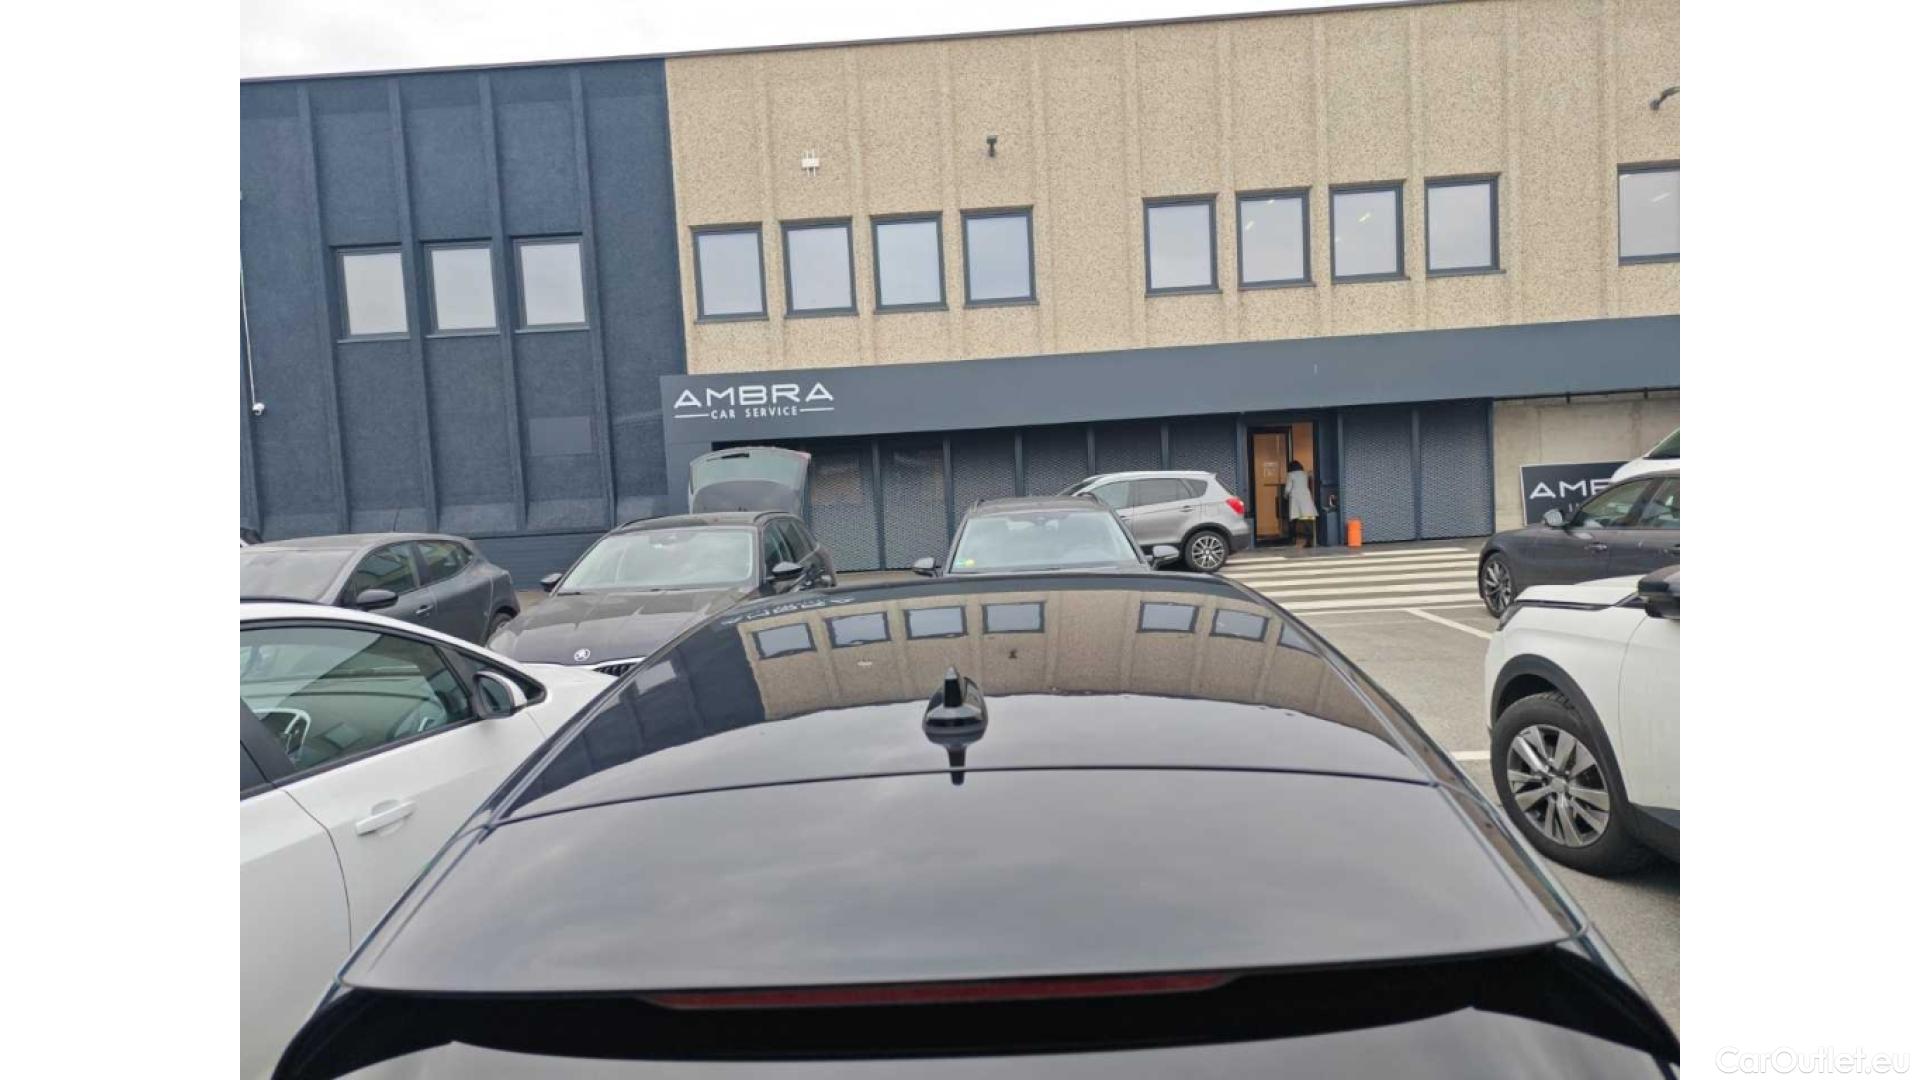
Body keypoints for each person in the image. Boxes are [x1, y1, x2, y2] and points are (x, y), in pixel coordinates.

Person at [1283, 460, 1318, 549]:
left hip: (1295, 499)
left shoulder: (1290, 475)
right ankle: (1310, 540)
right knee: (1307, 520)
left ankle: (1292, 539)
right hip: (1306, 497)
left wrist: (1285, 496)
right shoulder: (1304, 474)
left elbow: (1287, 489)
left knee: (1293, 520)